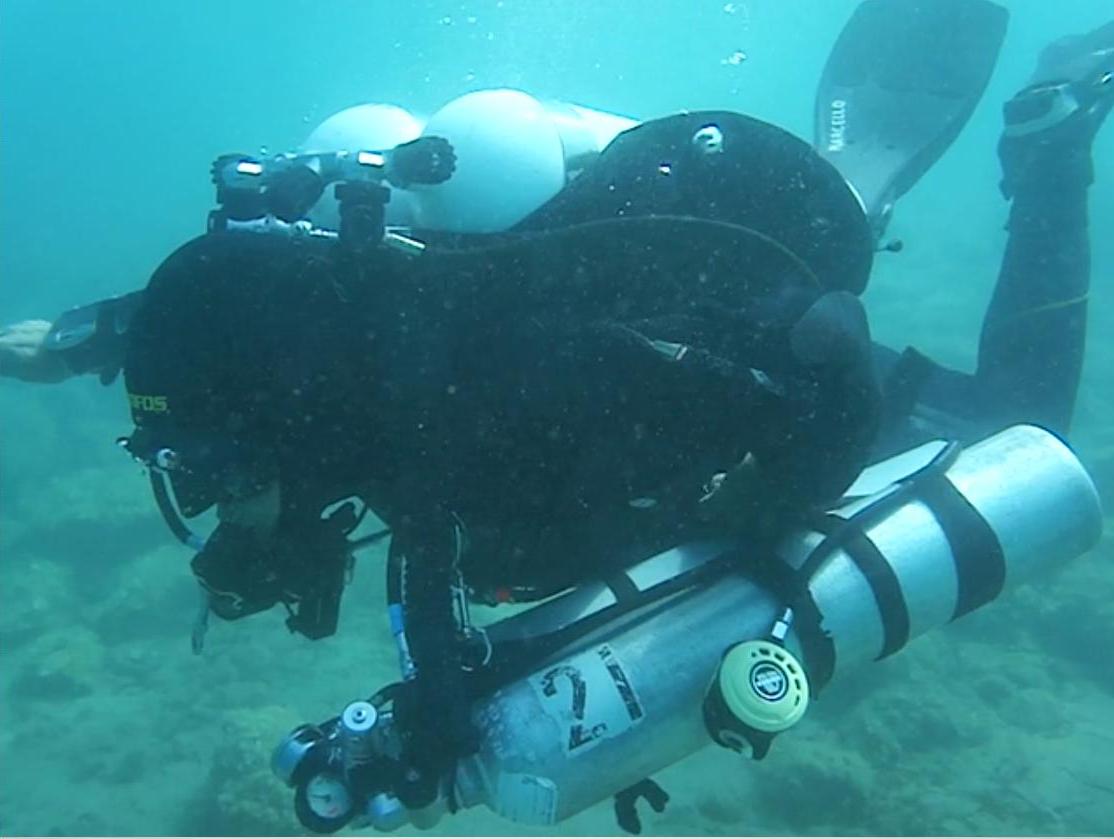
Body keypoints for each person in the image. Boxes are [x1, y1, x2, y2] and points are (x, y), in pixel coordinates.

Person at [1, 1, 1110, 808]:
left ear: (273, 424)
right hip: (620, 266)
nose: (220, 509)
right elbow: (222, 293)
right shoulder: (315, 343)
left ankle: (1049, 146)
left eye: (219, 478)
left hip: (748, 270)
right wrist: (83, 335)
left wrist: (774, 507)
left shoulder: (510, 379)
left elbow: (828, 352)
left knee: (1022, 429)